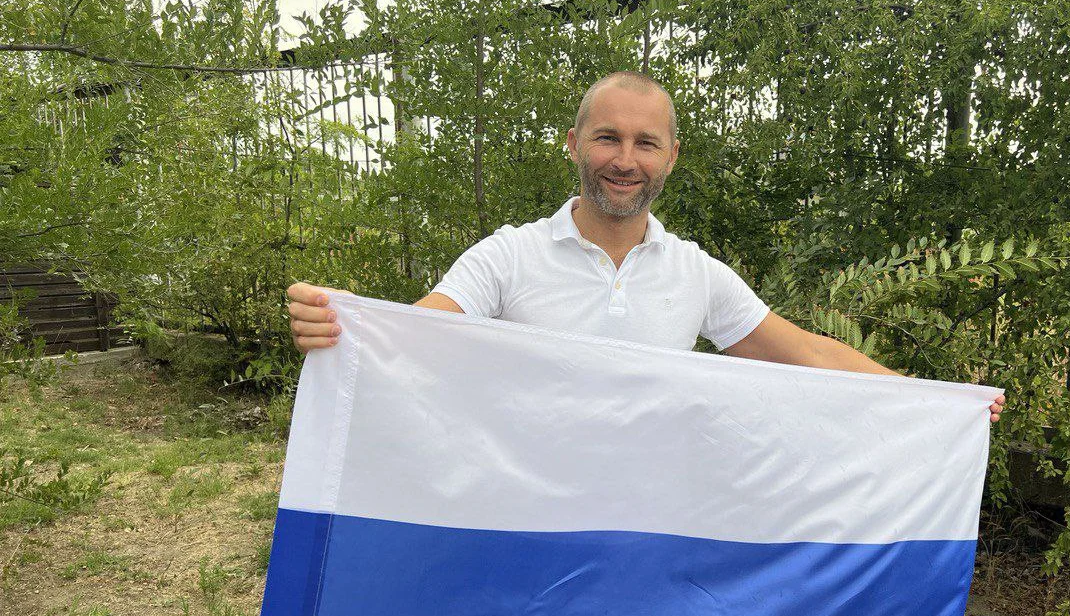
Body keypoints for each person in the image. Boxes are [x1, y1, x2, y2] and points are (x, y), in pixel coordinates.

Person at [288, 71, 1005, 422]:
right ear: (575, 144)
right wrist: (345, 322)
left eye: (645, 143)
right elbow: (415, 332)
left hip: (647, 531)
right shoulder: (507, 257)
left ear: (671, 156)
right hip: (524, 527)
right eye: (608, 138)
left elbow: (807, 353)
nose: (624, 160)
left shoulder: (696, 273)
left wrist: (930, 400)